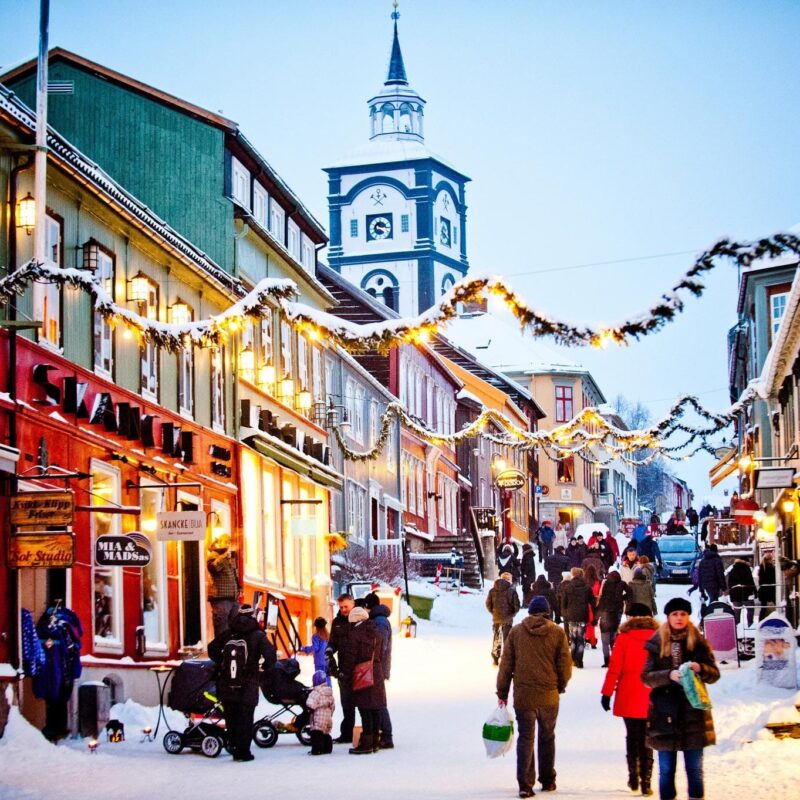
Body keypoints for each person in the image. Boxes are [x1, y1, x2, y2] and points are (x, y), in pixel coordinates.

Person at [641, 598, 720, 800]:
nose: (679, 618)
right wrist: (668, 675)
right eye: (675, 614)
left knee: (694, 771)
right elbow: (646, 677)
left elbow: (714, 674)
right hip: (664, 715)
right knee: (666, 770)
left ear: (688, 616)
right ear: (668, 617)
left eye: (683, 614)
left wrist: (701, 668)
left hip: (693, 714)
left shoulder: (699, 642)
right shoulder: (657, 642)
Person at [496, 596, 573, 797]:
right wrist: (560, 686)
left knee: (526, 738)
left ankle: (525, 785)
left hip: (524, 696)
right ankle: (548, 781)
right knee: (547, 737)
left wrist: (502, 692)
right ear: (547, 612)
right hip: (549, 696)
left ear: (530, 612)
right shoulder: (557, 633)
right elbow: (565, 665)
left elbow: (506, 666)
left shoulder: (516, 632)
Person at [600, 603, 660, 795]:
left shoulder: (624, 638)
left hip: (628, 694)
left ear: (632, 617)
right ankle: (646, 781)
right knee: (647, 738)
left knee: (632, 736)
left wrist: (607, 693)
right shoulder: (659, 638)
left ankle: (633, 776)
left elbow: (614, 668)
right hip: (652, 695)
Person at [208, 604, 276, 762]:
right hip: (248, 681)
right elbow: (271, 655)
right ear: (253, 616)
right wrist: (264, 667)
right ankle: (243, 752)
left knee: (231, 716)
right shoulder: (258, 635)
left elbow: (212, 649)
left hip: (227, 682)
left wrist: (222, 662)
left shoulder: (228, 633)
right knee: (245, 717)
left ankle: (233, 747)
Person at [339, 606, 386, 755]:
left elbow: (350, 658)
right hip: (376, 673)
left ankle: (366, 744)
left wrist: (345, 675)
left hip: (362, 674)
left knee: (364, 709)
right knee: (375, 709)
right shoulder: (377, 633)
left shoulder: (355, 634)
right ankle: (374, 742)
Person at [364, 592, 394, 749]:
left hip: (378, 666)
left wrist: (374, 662)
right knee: (377, 701)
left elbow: (380, 645)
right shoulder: (379, 619)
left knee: (379, 702)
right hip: (378, 666)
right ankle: (383, 734)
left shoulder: (380, 621)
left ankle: (387, 736)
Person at [326, 593, 356, 743]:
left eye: (346, 606)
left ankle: (367, 732)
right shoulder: (337, 622)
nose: (344, 609)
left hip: (358, 667)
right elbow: (333, 642)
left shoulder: (359, 620)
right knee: (347, 703)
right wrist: (330, 649)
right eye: (341, 607)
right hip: (343, 668)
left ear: (353, 604)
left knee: (364, 703)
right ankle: (347, 734)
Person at [558, 567, 596, 668]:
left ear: (573, 575)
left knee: (573, 638)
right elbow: (592, 602)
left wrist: (564, 614)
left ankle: (573, 659)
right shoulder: (587, 587)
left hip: (571, 616)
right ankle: (579, 660)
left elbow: (563, 603)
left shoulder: (567, 587)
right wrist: (595, 616)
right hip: (583, 615)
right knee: (580, 639)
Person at [206, 534, 240, 637]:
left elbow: (234, 573)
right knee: (222, 629)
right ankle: (220, 651)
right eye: (226, 542)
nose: (228, 544)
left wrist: (238, 588)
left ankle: (230, 650)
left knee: (235, 628)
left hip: (232, 598)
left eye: (229, 542)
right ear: (219, 543)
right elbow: (213, 568)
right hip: (220, 598)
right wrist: (225, 556)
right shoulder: (213, 555)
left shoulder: (229, 556)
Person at [486, 572, 521, 666]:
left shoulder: (492, 590)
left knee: (496, 638)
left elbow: (488, 604)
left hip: (496, 618)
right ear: (509, 580)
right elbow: (517, 606)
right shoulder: (512, 591)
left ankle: (495, 658)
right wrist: (512, 614)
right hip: (507, 620)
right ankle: (506, 660)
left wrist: (494, 612)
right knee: (507, 640)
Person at [597, 570, 628, 667]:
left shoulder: (606, 585)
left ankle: (607, 661)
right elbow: (630, 593)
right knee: (613, 640)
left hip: (606, 617)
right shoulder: (622, 584)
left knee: (605, 642)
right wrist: (622, 598)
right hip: (616, 615)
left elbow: (601, 601)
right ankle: (615, 661)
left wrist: (596, 618)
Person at [306, 669, 335, 755]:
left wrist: (309, 710)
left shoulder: (316, 692)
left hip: (318, 716)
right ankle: (327, 748)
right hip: (327, 717)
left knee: (317, 733)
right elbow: (333, 706)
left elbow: (310, 704)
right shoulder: (329, 692)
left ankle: (317, 750)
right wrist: (330, 714)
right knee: (326, 733)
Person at [301, 616, 330, 685]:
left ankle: (320, 695)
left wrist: (304, 649)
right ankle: (329, 694)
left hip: (319, 662)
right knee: (328, 679)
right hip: (327, 661)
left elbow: (315, 648)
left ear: (316, 626)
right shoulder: (328, 635)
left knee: (320, 680)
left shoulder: (316, 636)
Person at [727, 558, 756, 628]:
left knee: (737, 611)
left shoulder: (732, 570)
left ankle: (736, 629)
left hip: (735, 594)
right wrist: (755, 592)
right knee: (750, 609)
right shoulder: (746, 569)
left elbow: (729, 583)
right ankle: (750, 625)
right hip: (745, 593)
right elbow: (751, 582)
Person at [582, 562, 602, 650]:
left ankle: (587, 638)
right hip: (595, 603)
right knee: (593, 623)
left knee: (587, 623)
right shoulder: (598, 581)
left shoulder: (584, 581)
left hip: (586, 604)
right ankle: (593, 641)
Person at [757, 553, 776, 620]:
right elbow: (773, 579)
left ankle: (760, 621)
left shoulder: (762, 567)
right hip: (771, 589)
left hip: (763, 590)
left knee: (763, 608)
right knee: (778, 606)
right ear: (770, 559)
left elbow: (760, 580)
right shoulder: (771, 567)